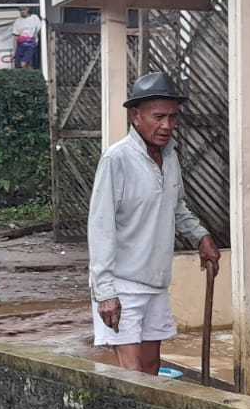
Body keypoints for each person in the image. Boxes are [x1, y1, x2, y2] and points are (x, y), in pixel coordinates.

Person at [88, 72, 220, 377]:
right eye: (158, 117)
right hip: (122, 284)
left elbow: (176, 206)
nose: (167, 125)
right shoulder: (117, 159)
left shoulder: (170, 156)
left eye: (173, 117)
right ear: (136, 116)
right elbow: (100, 226)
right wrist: (105, 292)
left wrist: (201, 237)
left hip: (156, 281)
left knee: (151, 368)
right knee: (133, 375)